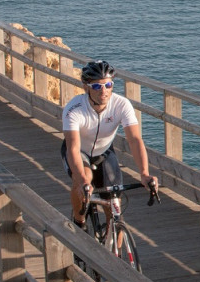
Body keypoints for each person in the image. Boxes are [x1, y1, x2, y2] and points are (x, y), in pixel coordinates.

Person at [62, 60, 158, 229]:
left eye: (108, 85)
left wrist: (144, 173)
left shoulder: (121, 104)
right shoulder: (74, 109)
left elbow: (135, 140)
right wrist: (83, 180)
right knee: (84, 179)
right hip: (80, 152)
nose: (104, 91)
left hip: (104, 151)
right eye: (97, 86)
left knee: (115, 208)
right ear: (86, 87)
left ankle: (116, 251)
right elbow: (73, 148)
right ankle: (79, 223)